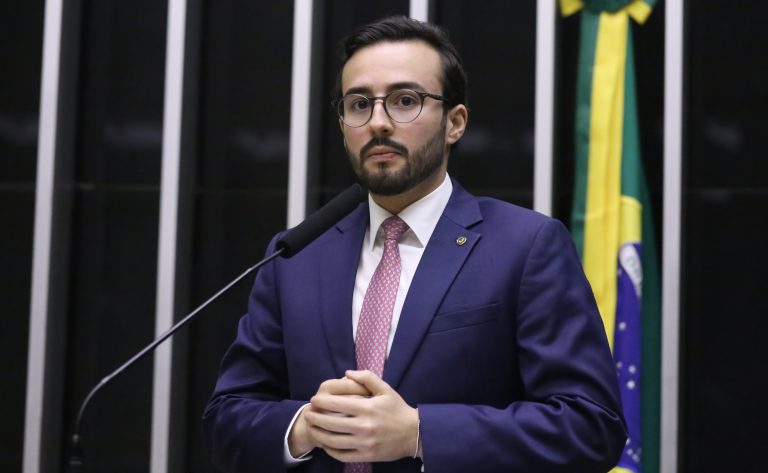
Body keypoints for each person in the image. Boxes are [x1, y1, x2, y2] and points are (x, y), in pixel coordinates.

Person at [203, 15, 626, 473]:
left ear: (454, 123)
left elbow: (591, 426)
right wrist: (303, 426)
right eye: (359, 104)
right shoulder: (296, 255)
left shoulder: (526, 247)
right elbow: (227, 416)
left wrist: (419, 433)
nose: (378, 123)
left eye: (405, 101)